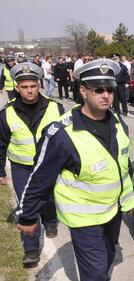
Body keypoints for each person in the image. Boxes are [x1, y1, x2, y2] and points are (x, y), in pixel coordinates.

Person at [16, 59, 134, 280]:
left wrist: (128, 202)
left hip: (113, 212)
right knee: (96, 274)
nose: (106, 95)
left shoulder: (118, 123)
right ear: (83, 90)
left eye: (110, 89)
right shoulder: (61, 133)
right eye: (98, 89)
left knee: (108, 260)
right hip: (84, 219)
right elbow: (40, 179)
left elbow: (123, 166)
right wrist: (28, 217)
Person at [0, 62, 64, 268]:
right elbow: (0, 144)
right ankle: (31, 249)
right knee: (26, 206)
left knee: (49, 197)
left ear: (39, 85)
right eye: (25, 87)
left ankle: (51, 220)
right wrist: (0, 170)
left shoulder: (56, 107)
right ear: (17, 88)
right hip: (22, 167)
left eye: (33, 86)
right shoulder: (6, 113)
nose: (29, 90)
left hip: (49, 166)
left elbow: (68, 138)